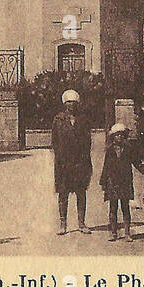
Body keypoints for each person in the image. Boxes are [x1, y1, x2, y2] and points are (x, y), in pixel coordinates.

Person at [51, 89, 93, 236]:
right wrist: (60, 159)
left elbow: (88, 141)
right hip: (63, 163)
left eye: (74, 102)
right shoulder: (58, 120)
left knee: (81, 193)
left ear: (77, 103)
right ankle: (63, 224)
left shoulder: (83, 120)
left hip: (80, 162)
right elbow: (55, 142)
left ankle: (81, 223)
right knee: (63, 194)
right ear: (64, 103)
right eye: (68, 102)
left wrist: (84, 160)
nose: (71, 105)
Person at [100, 121, 136, 242]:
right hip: (112, 182)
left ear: (124, 136)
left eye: (121, 135)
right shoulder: (110, 150)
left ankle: (127, 233)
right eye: (116, 135)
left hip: (125, 181)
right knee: (113, 208)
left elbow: (136, 162)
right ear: (113, 137)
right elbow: (106, 166)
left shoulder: (129, 149)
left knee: (125, 208)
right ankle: (113, 232)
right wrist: (103, 182)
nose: (119, 137)